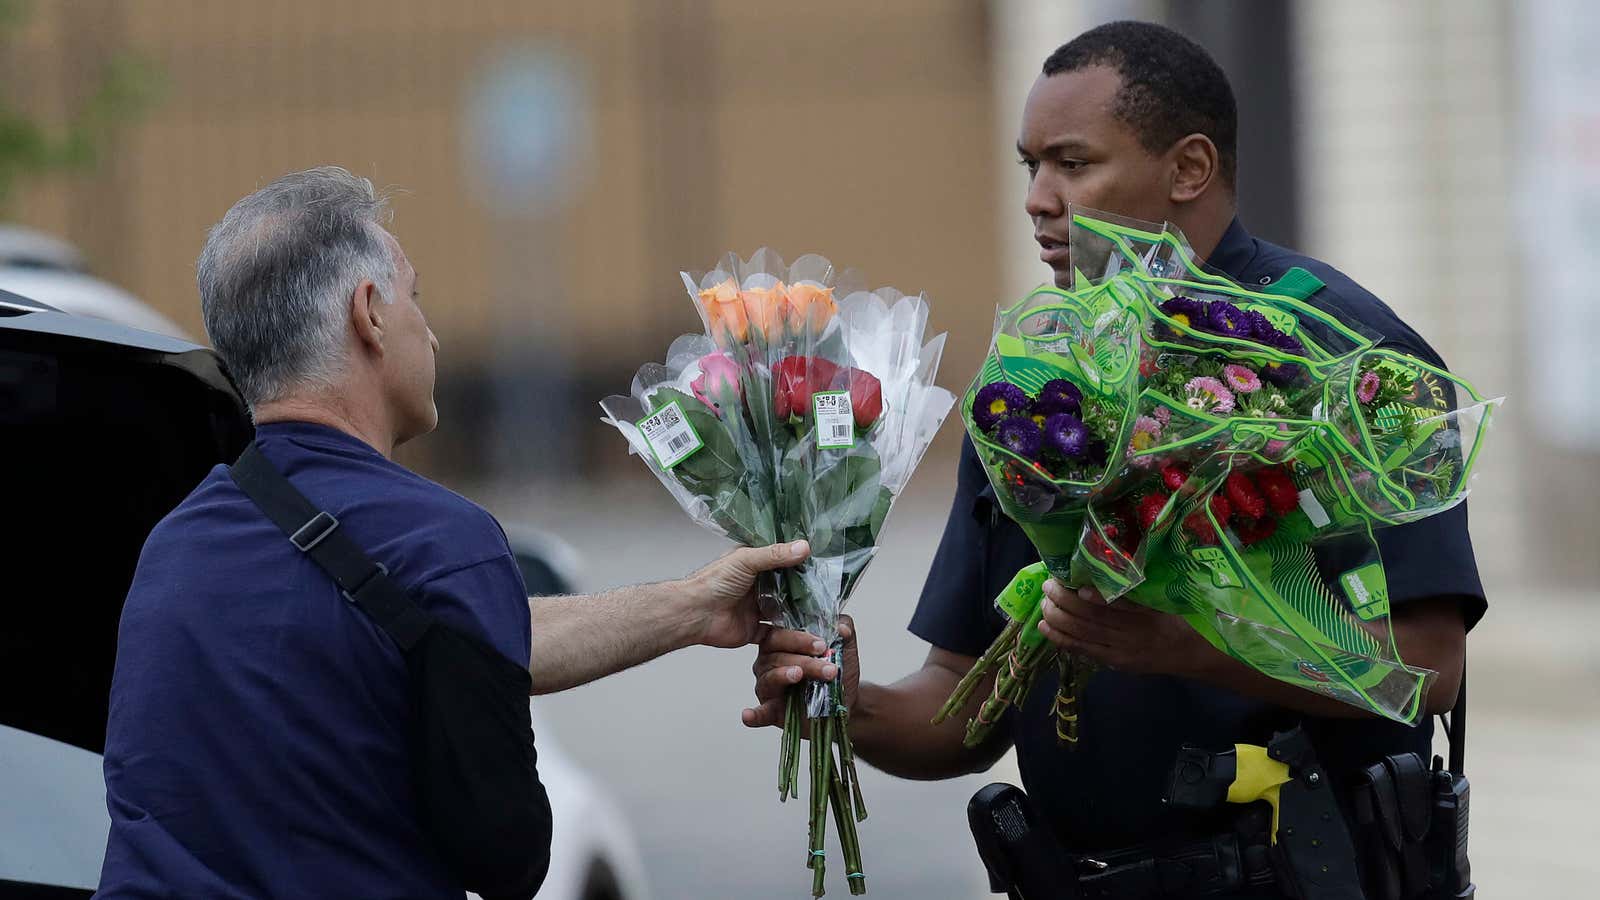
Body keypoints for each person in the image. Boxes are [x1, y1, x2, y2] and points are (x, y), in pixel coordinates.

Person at [746, 21, 1484, 897]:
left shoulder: (1340, 357)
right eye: (1031, 166)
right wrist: (842, 698)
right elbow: (964, 705)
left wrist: (1188, 647)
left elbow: (1428, 669)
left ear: (1189, 169)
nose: (1038, 198)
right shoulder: (1034, 387)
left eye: (1073, 162)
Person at [95, 167, 809, 899]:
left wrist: (696, 605)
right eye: (417, 295)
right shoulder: (441, 540)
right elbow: (508, 857)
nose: (430, 329)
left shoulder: (172, 545)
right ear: (369, 313)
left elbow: (429, 634)